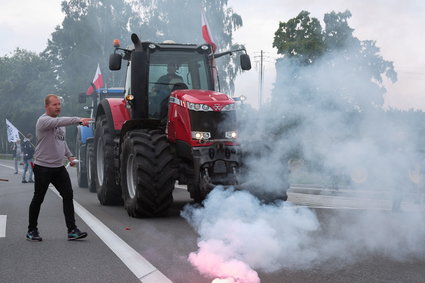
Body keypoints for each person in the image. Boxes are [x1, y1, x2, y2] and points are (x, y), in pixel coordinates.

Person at [26, 94, 93, 242]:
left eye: (59, 104)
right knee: (39, 198)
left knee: (68, 195)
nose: (58, 107)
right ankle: (31, 230)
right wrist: (78, 120)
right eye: (54, 104)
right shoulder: (43, 121)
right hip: (43, 167)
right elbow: (61, 121)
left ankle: (72, 230)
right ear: (47, 107)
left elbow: (61, 142)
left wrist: (69, 156)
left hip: (58, 168)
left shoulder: (60, 125)